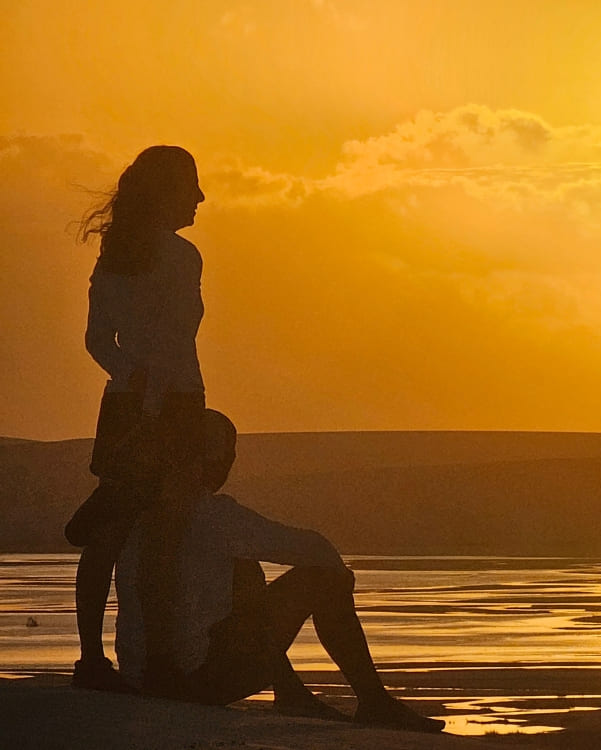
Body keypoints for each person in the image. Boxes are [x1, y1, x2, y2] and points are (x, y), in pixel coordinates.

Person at [114, 410, 445, 733]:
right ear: (212, 461)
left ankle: (292, 692)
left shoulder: (141, 513)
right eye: (227, 454)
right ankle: (373, 700)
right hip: (195, 681)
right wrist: (339, 575)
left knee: (245, 568)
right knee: (324, 578)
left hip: (139, 674)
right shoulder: (213, 515)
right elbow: (314, 549)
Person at [68, 145, 207, 691]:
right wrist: (138, 376)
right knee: (123, 533)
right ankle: (101, 660)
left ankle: (150, 657)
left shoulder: (179, 255)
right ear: (164, 192)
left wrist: (135, 376)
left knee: (157, 532)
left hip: (168, 401)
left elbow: (103, 341)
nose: (199, 197)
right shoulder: (129, 257)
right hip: (148, 405)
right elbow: (99, 339)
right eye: (190, 185)